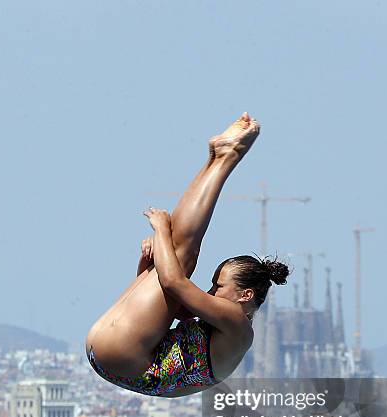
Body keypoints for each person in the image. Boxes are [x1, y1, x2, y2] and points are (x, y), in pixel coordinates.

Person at [86, 112, 290, 397]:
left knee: (182, 256)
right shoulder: (221, 322)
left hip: (125, 360)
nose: (209, 290)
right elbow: (172, 305)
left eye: (219, 286)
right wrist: (146, 265)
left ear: (245, 295)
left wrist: (161, 229)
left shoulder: (236, 322)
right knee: (175, 259)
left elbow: (173, 283)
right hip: (117, 360)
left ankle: (225, 157)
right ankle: (218, 157)